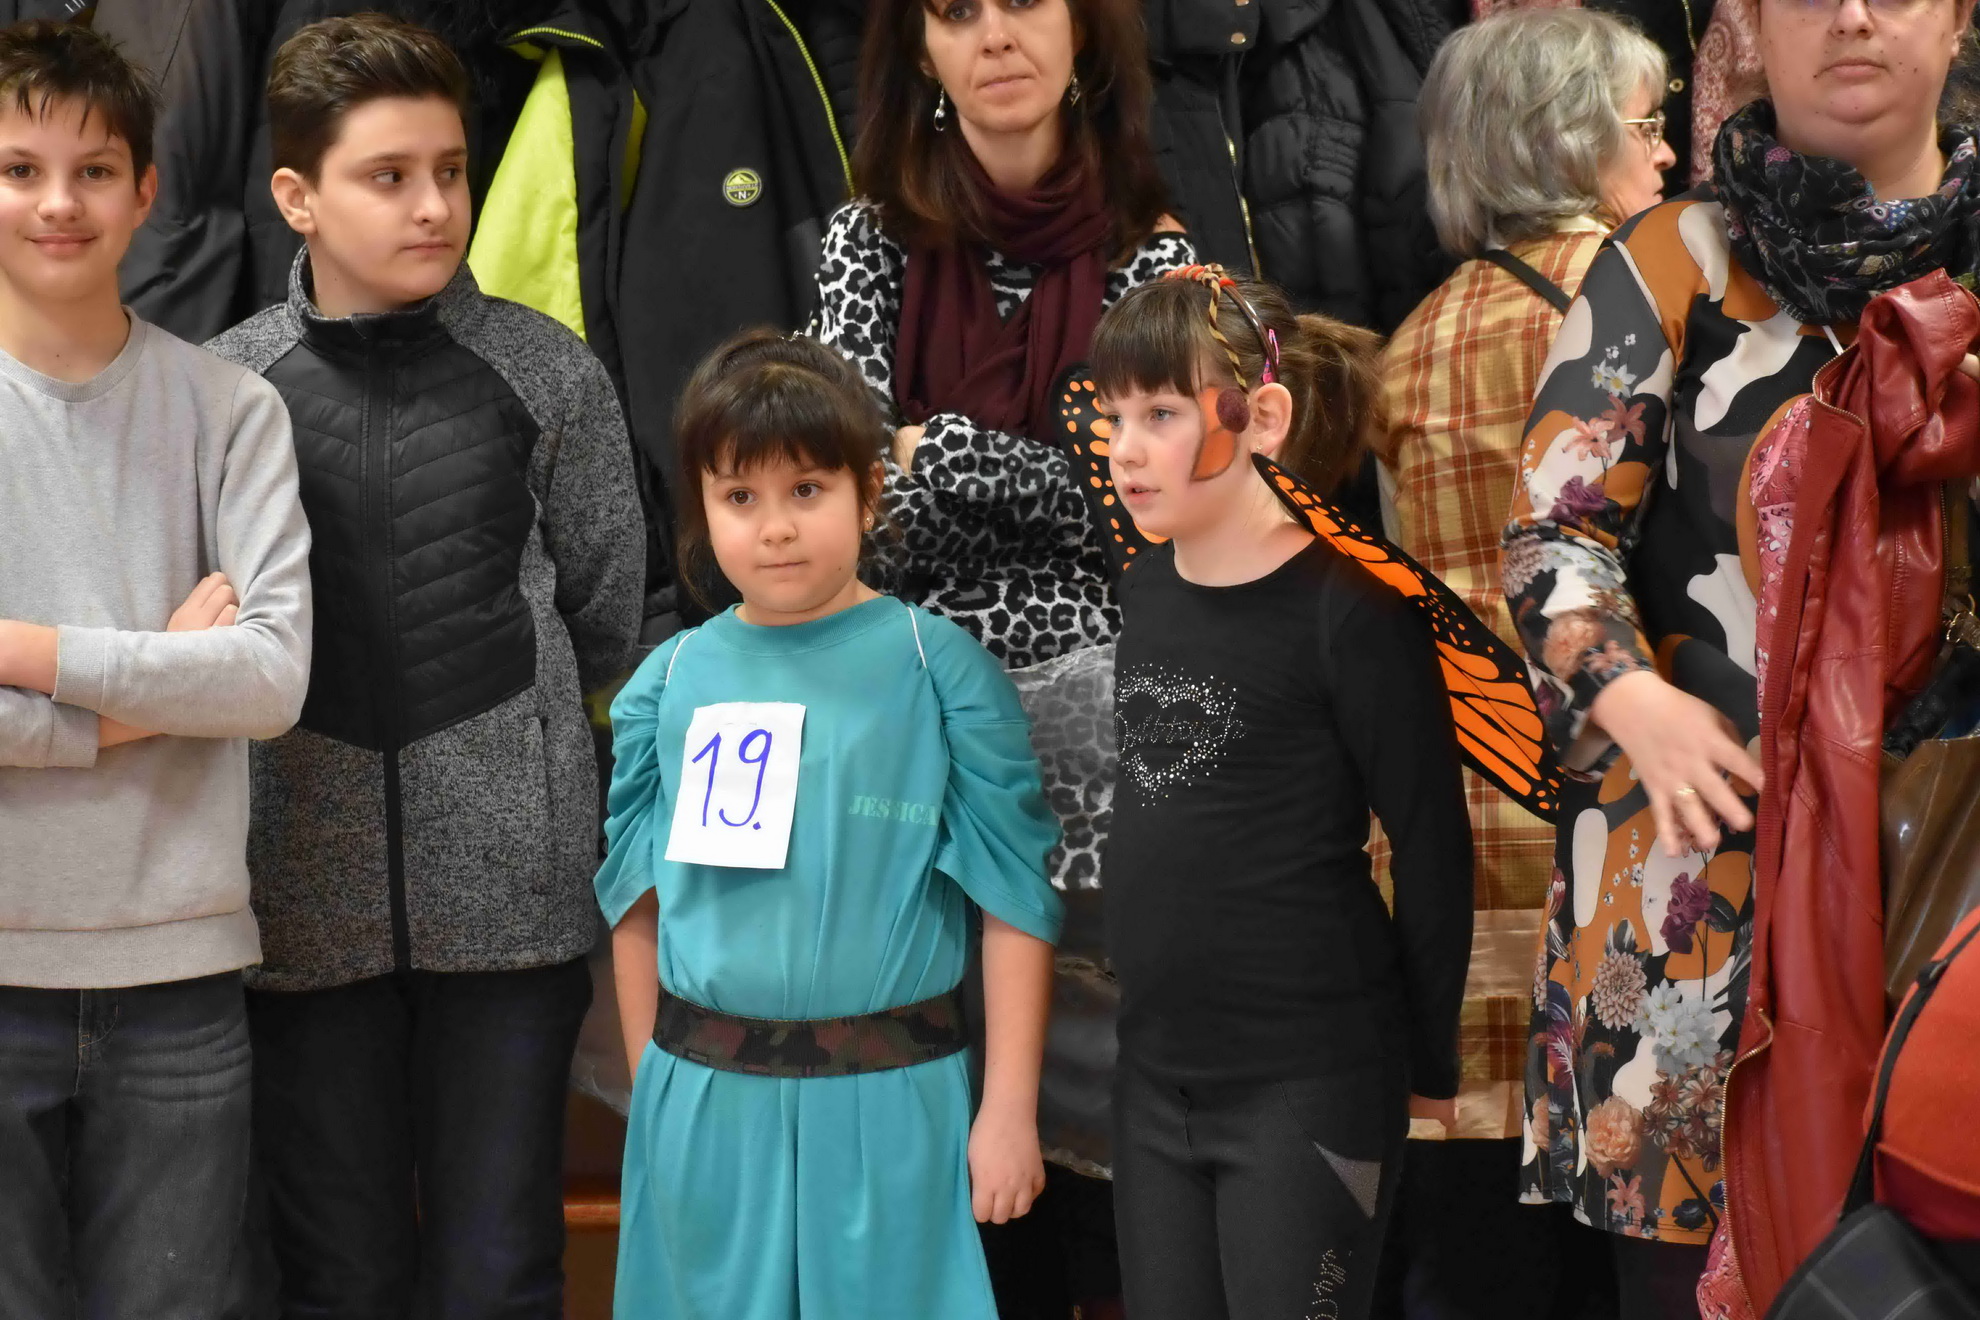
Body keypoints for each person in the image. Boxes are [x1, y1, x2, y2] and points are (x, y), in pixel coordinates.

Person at [1503, 0, 1979, 1314]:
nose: (1853, 17)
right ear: (1751, 28)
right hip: (1697, 890)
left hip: (1952, 905)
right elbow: (1552, 534)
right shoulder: (1676, 259)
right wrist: (1630, 695)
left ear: (1958, 21)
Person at [203, 16, 644, 1317]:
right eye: (388, 176)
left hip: (512, 907)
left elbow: (605, 610)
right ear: (298, 196)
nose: (435, 205)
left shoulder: (549, 371)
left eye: (450, 170)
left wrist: (519, 765)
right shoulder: (226, 391)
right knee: (339, 1278)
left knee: (500, 1271)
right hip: (295, 903)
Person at [810, 5, 1193, 1309]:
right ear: (918, 50)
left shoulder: (1156, 256)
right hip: (908, 710)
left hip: (1109, 736)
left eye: (1025, 0)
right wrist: (1047, 483)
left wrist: (950, 451)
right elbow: (847, 506)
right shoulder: (867, 241)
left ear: (1085, 30)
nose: (995, 36)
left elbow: (1150, 517)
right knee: (947, 1138)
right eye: (955, 10)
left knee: (1110, 1142)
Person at [595, 330, 1065, 1320]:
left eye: (806, 489)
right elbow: (634, 903)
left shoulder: (940, 671)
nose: (775, 528)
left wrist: (1008, 1110)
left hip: (895, 1100)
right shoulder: (667, 683)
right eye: (740, 497)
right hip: (702, 1106)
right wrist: (651, 1097)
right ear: (702, 510)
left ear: (868, 493)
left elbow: (1014, 902)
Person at [0, 19, 312, 1319]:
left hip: (180, 976)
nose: (57, 203)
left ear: (147, 192)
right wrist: (148, 698)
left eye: (92, 171)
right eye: (20, 170)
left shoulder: (232, 409)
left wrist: (22, 652)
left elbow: (268, 679)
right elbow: (209, 682)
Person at [1090, 268, 1474, 1320]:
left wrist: (1430, 1059)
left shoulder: (1353, 607)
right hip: (1154, 1074)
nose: (1124, 448)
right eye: (1114, 415)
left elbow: (1433, 845)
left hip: (1309, 1079)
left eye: (1161, 414)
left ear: (1260, 418)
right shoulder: (1147, 588)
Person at [1370, 10, 1671, 1316]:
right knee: (1646, 1240)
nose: (1669, 154)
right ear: (1570, 137)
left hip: (1460, 837)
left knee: (1487, 1250)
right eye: (1647, 124)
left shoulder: (1412, 343)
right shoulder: (1644, 298)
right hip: (1622, 820)